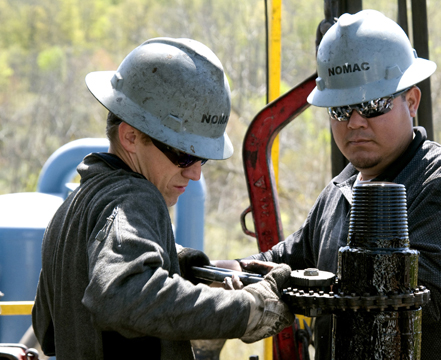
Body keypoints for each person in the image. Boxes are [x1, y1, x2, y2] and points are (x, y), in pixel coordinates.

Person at [223, 10, 441, 359]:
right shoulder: (339, 192)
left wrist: (294, 285)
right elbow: (286, 259)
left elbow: (415, 298)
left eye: (372, 105)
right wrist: (232, 271)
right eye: (340, 110)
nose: (355, 122)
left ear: (412, 101)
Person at [32, 38, 294, 360]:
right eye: (184, 155)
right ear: (130, 136)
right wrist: (249, 308)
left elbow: (46, 330)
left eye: (203, 159)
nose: (195, 173)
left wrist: (179, 265)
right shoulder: (137, 197)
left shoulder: (72, 209)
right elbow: (119, 294)